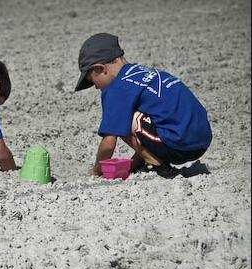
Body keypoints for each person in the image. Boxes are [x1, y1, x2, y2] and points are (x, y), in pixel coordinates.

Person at [75, 33, 212, 178]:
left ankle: (156, 163)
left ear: (100, 69)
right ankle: (152, 160)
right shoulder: (146, 73)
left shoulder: (117, 88)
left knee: (123, 119)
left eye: (93, 81)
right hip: (203, 140)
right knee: (136, 115)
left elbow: (108, 143)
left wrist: (96, 171)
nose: (96, 87)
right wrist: (131, 166)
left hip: (179, 145)